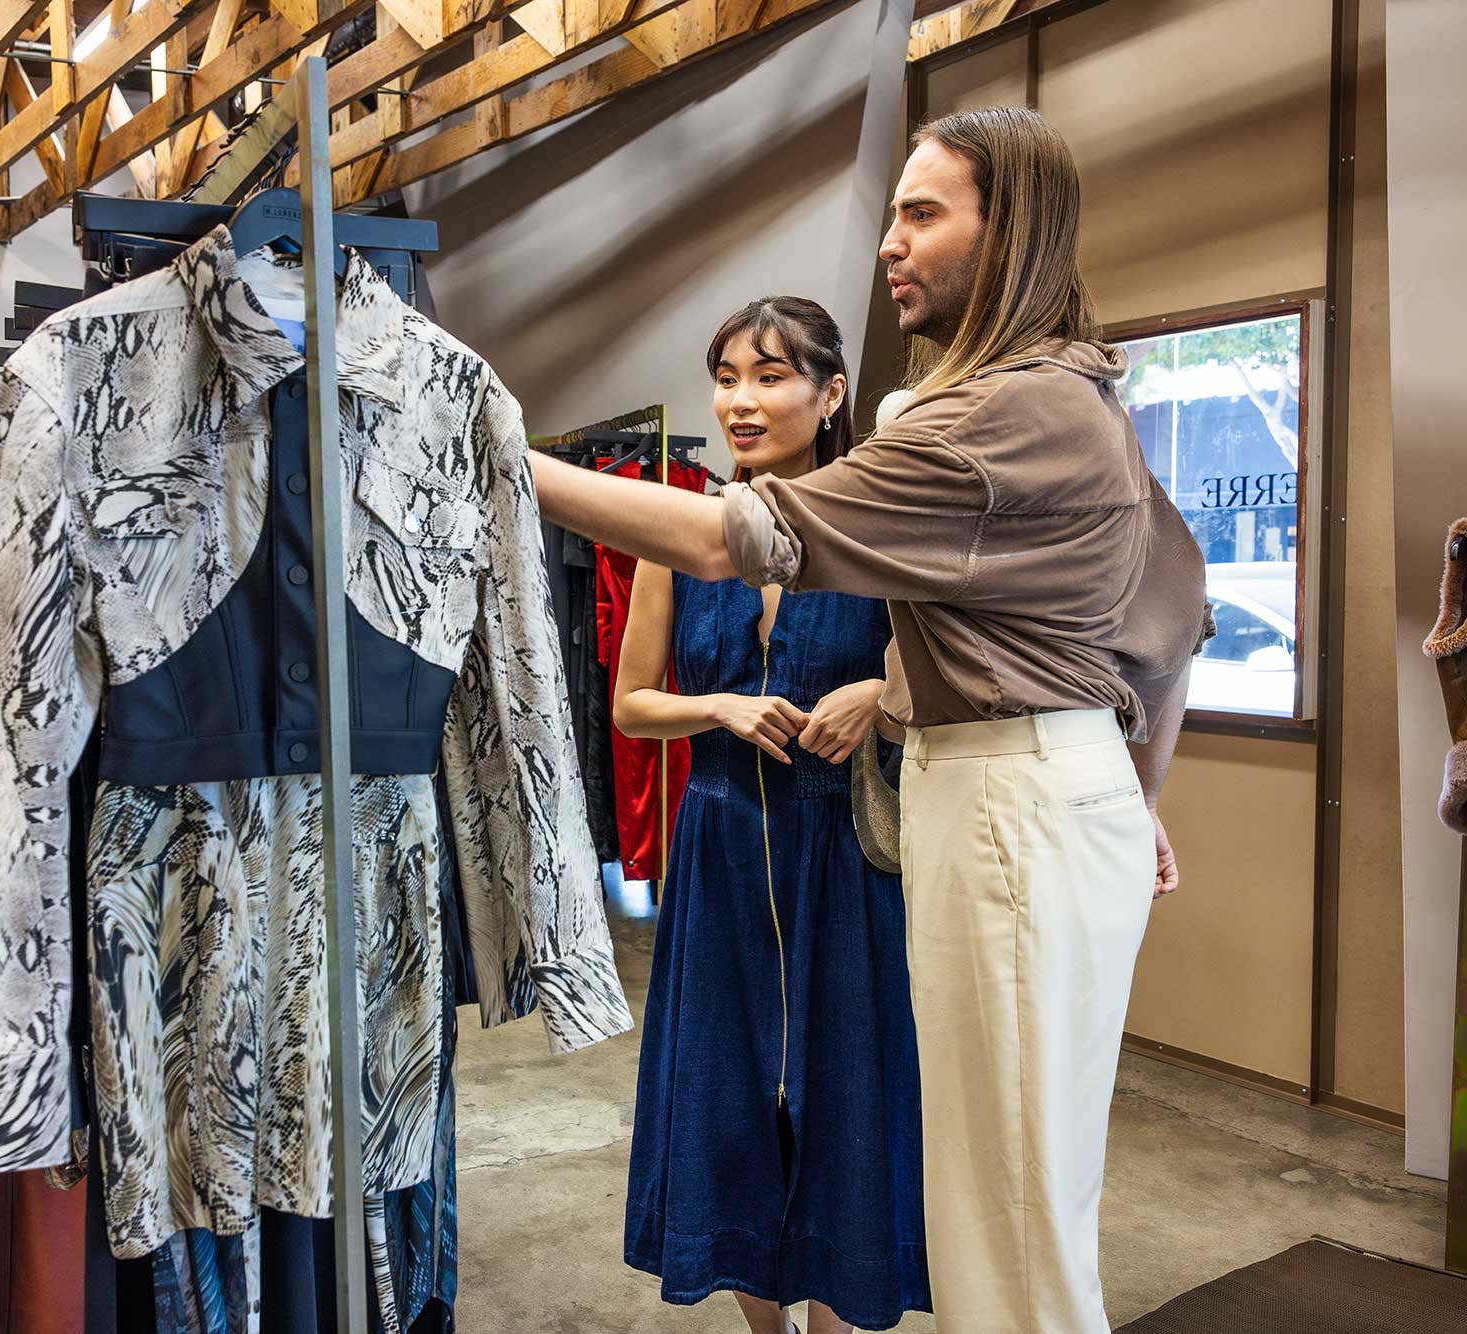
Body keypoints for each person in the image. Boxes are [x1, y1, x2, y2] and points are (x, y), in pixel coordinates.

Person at [530, 107, 1210, 1334]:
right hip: (972, 798)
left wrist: (498, 454)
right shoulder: (1061, 400)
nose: (887, 241)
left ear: (1007, 234)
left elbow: (725, 533)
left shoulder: (993, 414)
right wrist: (1131, 788)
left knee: (1003, 1231)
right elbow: (1178, 605)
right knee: (999, 1208)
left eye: (920, 212)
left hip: (992, 801)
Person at [620, 298, 930, 1334]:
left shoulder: (876, 526)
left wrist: (872, 696)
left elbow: (937, 669)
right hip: (715, 844)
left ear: (830, 392)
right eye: (726, 377)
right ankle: (766, 1327)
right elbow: (628, 702)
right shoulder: (680, 531)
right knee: (726, 1091)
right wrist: (716, 703)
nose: (739, 401)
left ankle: (834, 1320)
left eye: (768, 376)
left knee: (841, 1085)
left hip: (839, 845)